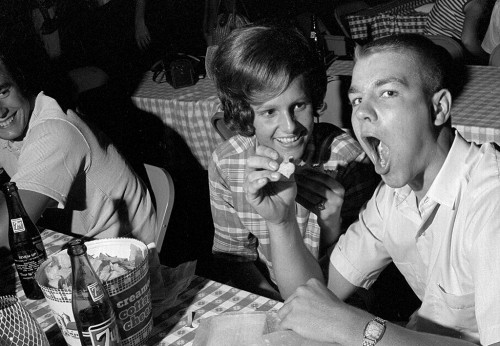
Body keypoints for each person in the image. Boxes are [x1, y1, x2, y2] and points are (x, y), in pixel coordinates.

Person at [244, 33, 500, 345]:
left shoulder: (491, 200)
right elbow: (315, 296)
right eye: (356, 100)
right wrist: (281, 222)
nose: (362, 113)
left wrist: (356, 326)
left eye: (388, 93)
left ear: (439, 108)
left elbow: (335, 316)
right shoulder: (393, 196)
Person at [209, 24, 380, 300]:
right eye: (268, 112)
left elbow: (361, 287)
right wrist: (275, 305)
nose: (290, 127)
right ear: (244, 114)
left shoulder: (349, 160)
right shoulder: (227, 163)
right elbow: (235, 258)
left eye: (298, 105)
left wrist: (330, 230)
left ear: (314, 99)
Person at [424, 0, 493, 64]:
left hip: (428, 43)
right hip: (449, 49)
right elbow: (468, 42)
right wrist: (487, 57)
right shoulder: (476, 5)